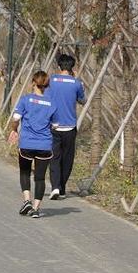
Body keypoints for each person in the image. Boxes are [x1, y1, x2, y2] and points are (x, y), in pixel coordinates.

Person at [7, 71, 56, 219]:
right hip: (45, 145)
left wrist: (14, 129)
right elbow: (55, 124)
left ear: (33, 83)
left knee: (25, 172)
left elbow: (16, 117)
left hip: (27, 143)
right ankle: (35, 208)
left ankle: (26, 200)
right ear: (46, 85)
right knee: (40, 178)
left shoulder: (25, 100)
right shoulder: (52, 103)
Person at [45, 53, 86, 199]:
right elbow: (83, 100)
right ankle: (61, 187)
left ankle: (55, 187)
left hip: (53, 125)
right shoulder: (76, 83)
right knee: (68, 158)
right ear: (72, 67)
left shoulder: (51, 81)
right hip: (70, 126)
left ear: (59, 66)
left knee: (54, 157)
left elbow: (46, 99)